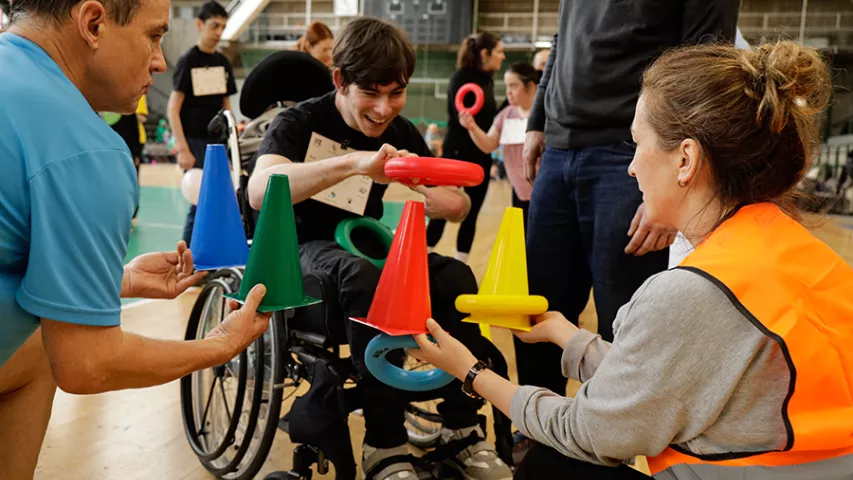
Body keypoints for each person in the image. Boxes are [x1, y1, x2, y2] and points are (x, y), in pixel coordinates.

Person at [413, 39, 853, 480]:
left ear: (686, 159)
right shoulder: (799, 253)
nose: (631, 166)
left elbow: (588, 431)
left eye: (636, 143)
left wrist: (470, 371)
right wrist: (566, 334)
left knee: (548, 465)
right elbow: (662, 377)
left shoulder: (692, 290)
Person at [0, 0, 272, 478]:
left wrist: (117, 279)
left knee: (34, 356)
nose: (160, 61)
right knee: (49, 354)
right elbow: (88, 364)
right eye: (153, 35)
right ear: (93, 23)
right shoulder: (86, 149)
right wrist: (218, 346)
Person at [248, 17, 512, 480]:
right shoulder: (300, 121)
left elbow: (459, 203)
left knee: (453, 276)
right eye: (371, 92)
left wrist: (444, 199)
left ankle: (461, 429)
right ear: (339, 81)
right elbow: (260, 188)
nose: (383, 108)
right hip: (302, 253)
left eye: (396, 92)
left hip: (364, 249)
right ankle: (384, 443)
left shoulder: (403, 132)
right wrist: (352, 164)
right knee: (365, 279)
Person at [517, 0, 738, 402]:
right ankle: (534, 443)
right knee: (537, 306)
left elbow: (705, 68)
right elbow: (562, 38)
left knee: (623, 326)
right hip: (559, 149)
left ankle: (606, 453)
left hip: (630, 153)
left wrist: (671, 185)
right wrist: (536, 121)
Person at [426, 32, 504, 263]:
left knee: (471, 215)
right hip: (456, 153)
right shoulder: (461, 78)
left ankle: (462, 265)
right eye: (499, 51)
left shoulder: (488, 81)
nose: (503, 56)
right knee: (441, 211)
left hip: (480, 154)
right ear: (484, 54)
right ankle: (423, 258)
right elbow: (462, 116)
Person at [167, 0, 238, 246]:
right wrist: (183, 148)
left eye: (223, 27)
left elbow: (225, 105)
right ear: (200, 25)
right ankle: (186, 263)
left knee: (220, 202)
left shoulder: (223, 63)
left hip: (218, 143)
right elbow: (173, 107)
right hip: (194, 142)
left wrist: (234, 134)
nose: (219, 32)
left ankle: (212, 260)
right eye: (214, 26)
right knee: (199, 202)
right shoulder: (188, 61)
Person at [457, 62, 539, 231]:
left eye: (514, 86)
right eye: (507, 86)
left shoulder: (544, 114)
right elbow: (488, 145)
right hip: (518, 192)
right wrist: (472, 126)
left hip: (544, 192)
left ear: (530, 86)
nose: (508, 92)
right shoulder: (506, 115)